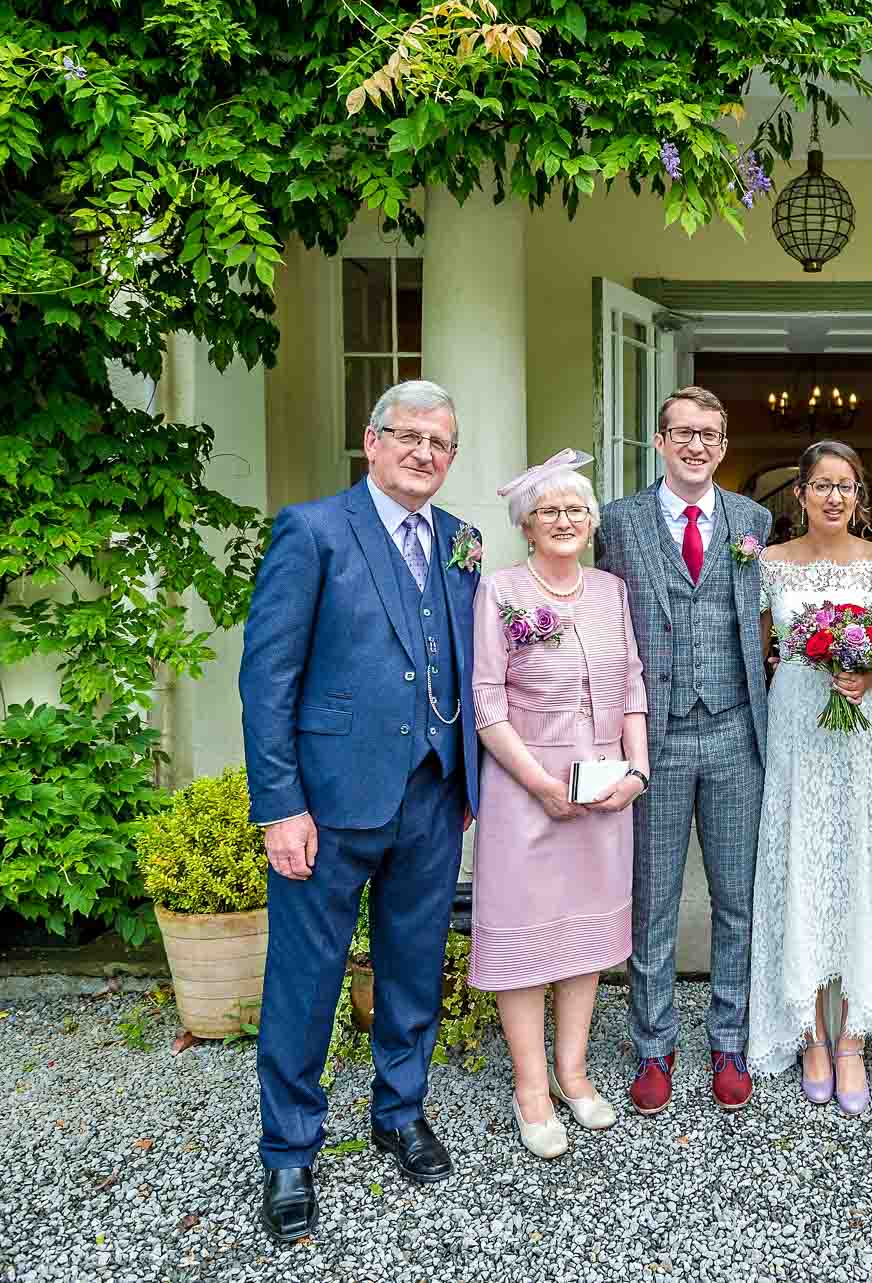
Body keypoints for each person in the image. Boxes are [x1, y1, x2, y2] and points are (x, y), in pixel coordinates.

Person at [238, 379, 483, 1242]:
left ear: (452, 458)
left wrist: (466, 781)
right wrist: (279, 806)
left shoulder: (464, 542)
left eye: (439, 442)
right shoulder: (313, 531)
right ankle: (290, 1150)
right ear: (370, 441)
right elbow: (267, 678)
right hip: (330, 801)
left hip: (431, 794)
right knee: (305, 981)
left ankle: (399, 1109)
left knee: (414, 966)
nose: (423, 452)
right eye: (407, 435)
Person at [595, 387, 773, 1116]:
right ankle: (653, 1044)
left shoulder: (753, 520)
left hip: (735, 730)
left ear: (723, 447)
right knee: (652, 902)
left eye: (710, 434)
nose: (696, 445)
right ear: (660, 440)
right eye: (683, 433)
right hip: (655, 736)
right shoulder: (616, 522)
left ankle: (729, 1038)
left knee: (739, 899)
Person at [468, 450, 647, 1159]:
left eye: (576, 509)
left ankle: (574, 1072)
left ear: (592, 520)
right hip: (525, 789)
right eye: (550, 511)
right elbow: (485, 702)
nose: (565, 520)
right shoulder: (501, 590)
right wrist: (539, 782)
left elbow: (631, 684)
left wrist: (636, 769)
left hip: (603, 788)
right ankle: (531, 1087)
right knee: (525, 937)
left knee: (584, 939)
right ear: (527, 523)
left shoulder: (610, 590)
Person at [749, 440, 872, 1116]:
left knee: (861, 875)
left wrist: (867, 669)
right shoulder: (770, 565)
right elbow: (762, 649)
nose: (833, 496)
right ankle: (809, 1033)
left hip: (869, 735)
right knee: (806, 869)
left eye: (845, 486)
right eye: (820, 485)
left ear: (860, 496)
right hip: (799, 733)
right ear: (799, 494)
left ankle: (852, 1036)